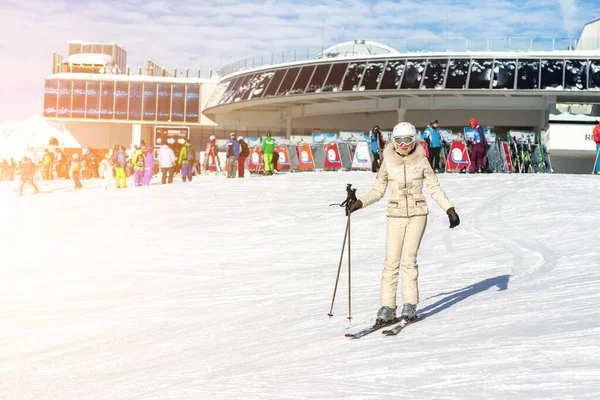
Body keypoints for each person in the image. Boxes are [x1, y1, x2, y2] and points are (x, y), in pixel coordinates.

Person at [348, 122, 460, 324]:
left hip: (417, 213)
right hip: (395, 214)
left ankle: (409, 304)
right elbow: (378, 190)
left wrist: (449, 209)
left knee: (409, 260)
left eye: (407, 140)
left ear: (414, 140)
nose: (403, 145)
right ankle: (388, 307)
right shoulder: (387, 161)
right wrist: (360, 202)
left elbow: (434, 187)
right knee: (391, 261)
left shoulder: (422, 160)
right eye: (398, 141)